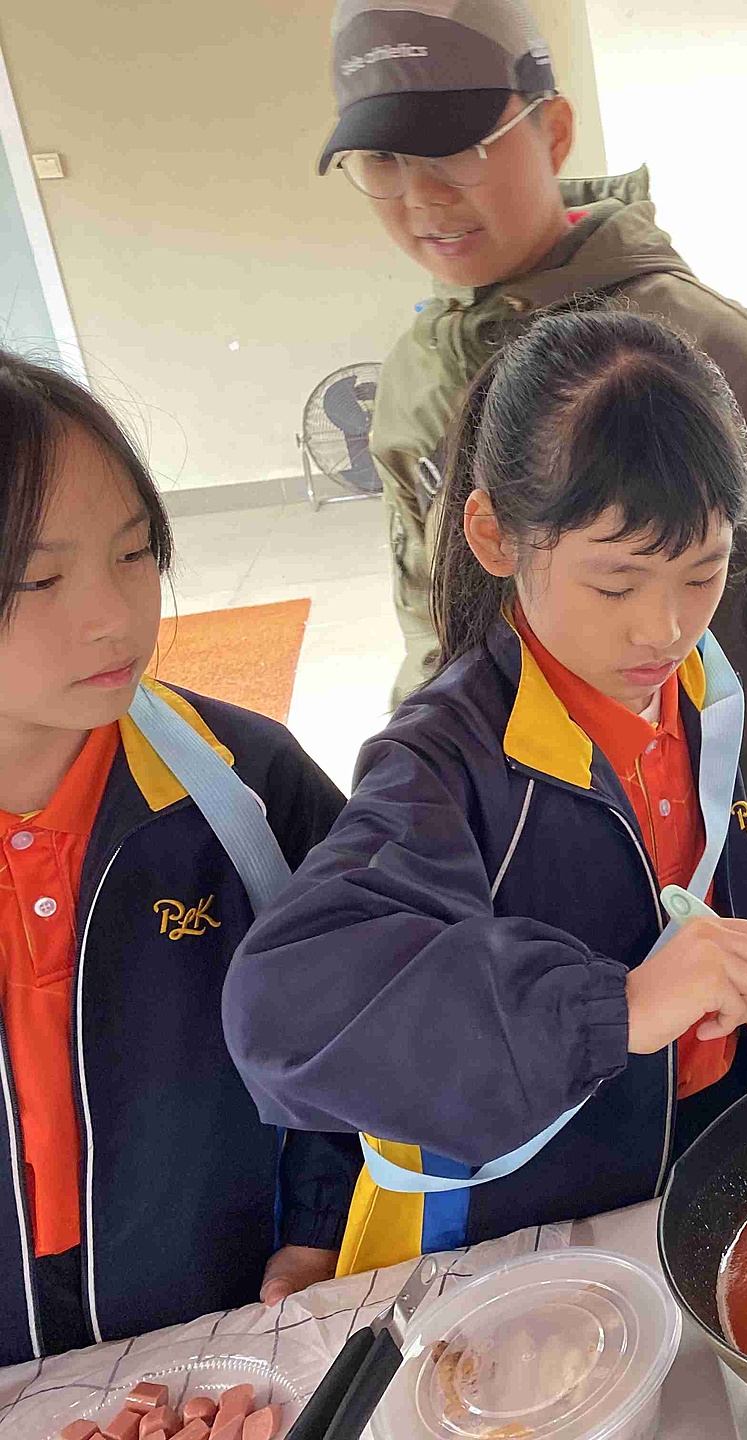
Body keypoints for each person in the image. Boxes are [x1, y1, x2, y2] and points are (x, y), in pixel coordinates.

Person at [224, 307, 747, 1272]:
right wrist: (613, 1008)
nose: (664, 628)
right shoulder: (441, 762)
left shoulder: (695, 682)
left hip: (697, 1148)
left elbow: (673, 837)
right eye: (615, 585)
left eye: (703, 574)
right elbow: (284, 1010)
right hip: (524, 1231)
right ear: (495, 535)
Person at [319, 0, 747, 1044]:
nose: (422, 196)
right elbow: (432, 624)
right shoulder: (414, 374)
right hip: (538, 878)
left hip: (738, 859)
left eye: (456, 150)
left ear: (551, 130)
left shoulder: (708, 351)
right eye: (383, 161)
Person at [0, 352, 357, 1363]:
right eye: (39, 577)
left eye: (134, 552)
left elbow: (355, 1019)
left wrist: (321, 1225)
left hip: (234, 1344)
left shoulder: (248, 784)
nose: (115, 616)